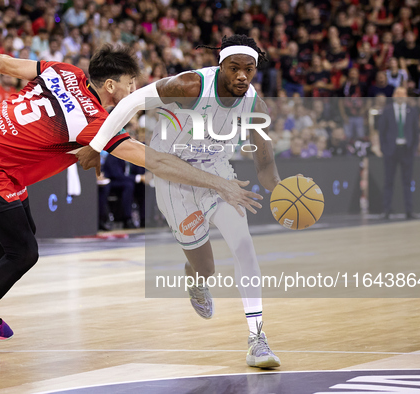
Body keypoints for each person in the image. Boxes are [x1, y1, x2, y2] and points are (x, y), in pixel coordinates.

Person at [0, 42, 260, 365]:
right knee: (23, 251)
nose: (133, 91)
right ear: (110, 86)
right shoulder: (94, 122)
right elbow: (156, 161)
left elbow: (0, 63)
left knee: (18, 235)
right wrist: (218, 183)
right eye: (130, 83)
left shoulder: (63, 71)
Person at [79, 34, 292, 369]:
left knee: (244, 246)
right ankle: (196, 279)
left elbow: (265, 166)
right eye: (234, 68)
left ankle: (257, 339)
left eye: (248, 69)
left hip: (220, 175)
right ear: (221, 65)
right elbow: (131, 102)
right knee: (205, 267)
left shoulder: (255, 104)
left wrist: (283, 192)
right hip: (173, 178)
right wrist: (97, 144)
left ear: (255, 69)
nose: (241, 75)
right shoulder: (191, 85)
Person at [377, 86, 420, 220]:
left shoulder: (412, 111)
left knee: (407, 182)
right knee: (388, 181)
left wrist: (413, 148)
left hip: (406, 150)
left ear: (406, 96)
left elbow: (416, 131)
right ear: (394, 96)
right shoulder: (387, 111)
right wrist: (384, 148)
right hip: (391, 150)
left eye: (403, 93)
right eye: (398, 93)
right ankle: (386, 210)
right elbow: (382, 131)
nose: (400, 96)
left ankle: (409, 211)